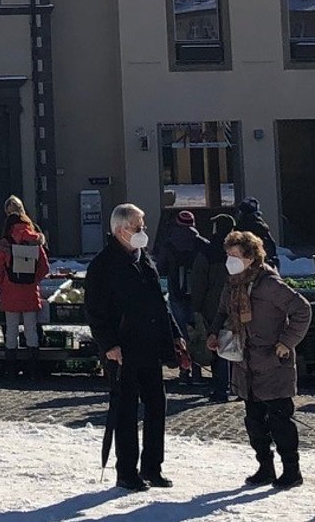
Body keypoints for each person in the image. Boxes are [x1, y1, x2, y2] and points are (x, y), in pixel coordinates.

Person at [85, 203, 183, 492]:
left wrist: (174, 334)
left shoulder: (144, 260)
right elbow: (94, 311)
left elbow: (159, 303)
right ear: (120, 230)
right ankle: (126, 471)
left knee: (156, 405)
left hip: (150, 345)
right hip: (123, 349)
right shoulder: (103, 265)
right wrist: (109, 344)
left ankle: (152, 466)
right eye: (138, 228)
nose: (143, 233)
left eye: (143, 227)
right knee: (125, 410)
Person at [209, 230, 311, 490]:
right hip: (245, 363)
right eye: (228, 254)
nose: (229, 259)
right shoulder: (232, 282)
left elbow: (302, 310)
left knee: (280, 421)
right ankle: (265, 467)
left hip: (273, 363)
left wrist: (286, 342)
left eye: (235, 254)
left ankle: (291, 471)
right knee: (254, 421)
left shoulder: (269, 284)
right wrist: (214, 332)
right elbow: (222, 310)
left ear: (250, 256)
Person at [0, 195, 50, 379]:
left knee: (11, 332)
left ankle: (12, 371)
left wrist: (4, 284)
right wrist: (34, 281)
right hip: (30, 293)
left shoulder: (5, 243)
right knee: (31, 332)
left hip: (10, 293)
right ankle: (34, 370)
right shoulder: (35, 241)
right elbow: (45, 267)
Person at [153, 210, 209, 384]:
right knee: (198, 333)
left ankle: (184, 371)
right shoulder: (202, 243)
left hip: (176, 292)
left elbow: (160, 267)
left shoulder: (169, 244)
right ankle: (198, 372)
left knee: (180, 334)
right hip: (197, 295)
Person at [187, 213, 236, 402]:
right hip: (240, 305)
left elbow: (199, 283)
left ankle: (221, 389)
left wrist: (197, 307)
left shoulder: (208, 252)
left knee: (217, 346)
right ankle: (238, 388)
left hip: (213, 306)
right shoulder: (240, 249)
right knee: (237, 346)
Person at [234, 197, 281, 267]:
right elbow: (271, 244)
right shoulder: (260, 225)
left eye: (241, 212)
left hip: (255, 262)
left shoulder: (246, 226)